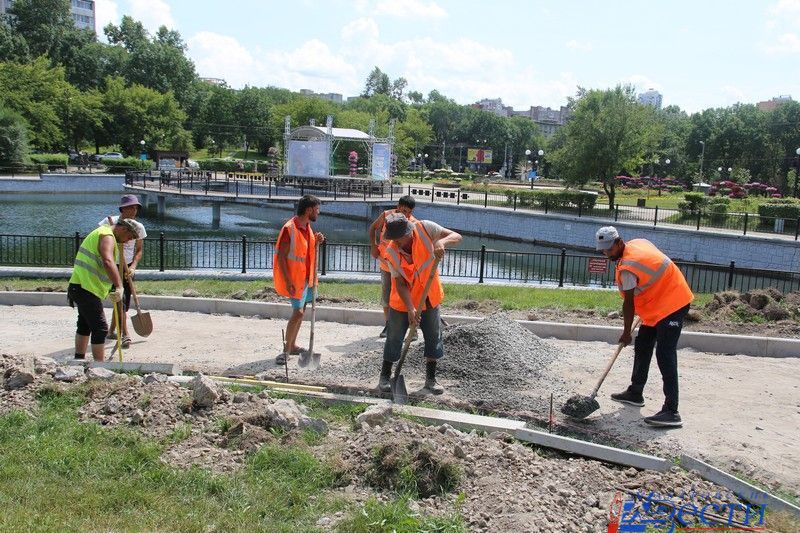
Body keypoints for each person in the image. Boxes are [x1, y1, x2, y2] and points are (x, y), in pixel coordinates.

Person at [595, 226, 694, 428]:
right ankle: (635, 392)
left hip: (673, 303)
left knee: (665, 354)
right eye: (603, 250)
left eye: (609, 249)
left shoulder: (628, 268)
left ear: (619, 242)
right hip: (656, 304)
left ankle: (672, 411)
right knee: (643, 345)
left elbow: (628, 304)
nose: (606, 253)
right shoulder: (638, 242)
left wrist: (626, 333)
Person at [379, 213, 462, 394]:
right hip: (403, 303)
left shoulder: (426, 228)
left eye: (398, 238)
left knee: (433, 337)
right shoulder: (391, 252)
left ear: (407, 232)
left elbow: (456, 236)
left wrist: (441, 242)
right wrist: (410, 308)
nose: (395, 242)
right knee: (394, 338)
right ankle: (385, 376)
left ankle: (431, 380)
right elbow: (400, 283)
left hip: (429, 297)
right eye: (393, 239)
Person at [68, 218, 146, 362]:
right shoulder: (107, 236)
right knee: (100, 328)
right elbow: (108, 261)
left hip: (80, 285)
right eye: (129, 237)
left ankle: (78, 360)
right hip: (85, 287)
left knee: (84, 324)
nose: (128, 241)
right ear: (123, 229)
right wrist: (119, 286)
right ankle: (100, 366)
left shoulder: (102, 233)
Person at [273, 195, 325, 365]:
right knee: (298, 313)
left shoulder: (306, 227)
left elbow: (304, 250)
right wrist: (288, 281)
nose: (318, 212)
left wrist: (316, 241)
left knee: (302, 311)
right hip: (295, 279)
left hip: (307, 278)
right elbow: (281, 257)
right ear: (309, 210)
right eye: (317, 209)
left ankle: (293, 345)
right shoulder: (290, 229)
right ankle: (286, 351)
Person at [100, 194, 147, 348]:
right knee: (119, 300)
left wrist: (133, 266)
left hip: (127, 267)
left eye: (136, 208)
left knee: (123, 301)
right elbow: (99, 241)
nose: (134, 210)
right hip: (112, 266)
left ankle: (111, 331)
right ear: (122, 209)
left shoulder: (138, 227)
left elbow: (139, 250)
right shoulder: (109, 222)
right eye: (131, 207)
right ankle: (125, 334)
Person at [368, 195, 416, 338]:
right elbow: (373, 228)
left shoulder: (412, 224)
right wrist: (373, 246)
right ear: (397, 207)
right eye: (403, 210)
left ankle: (412, 328)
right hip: (385, 264)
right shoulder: (386, 215)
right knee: (386, 295)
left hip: (403, 269)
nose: (405, 214)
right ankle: (388, 325)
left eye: (408, 212)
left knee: (406, 297)